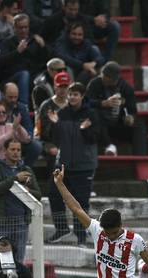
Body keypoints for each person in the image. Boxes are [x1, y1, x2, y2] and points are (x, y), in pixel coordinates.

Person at [46, 82, 99, 245]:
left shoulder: (91, 113)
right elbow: (53, 137)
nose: (72, 97)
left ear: (82, 96)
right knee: (54, 194)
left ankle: (81, 234)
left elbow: (95, 137)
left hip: (84, 166)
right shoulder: (61, 113)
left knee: (81, 201)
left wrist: (83, 130)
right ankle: (61, 228)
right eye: (70, 94)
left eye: (76, 94)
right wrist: (55, 124)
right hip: (63, 165)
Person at [0, 139, 40, 262]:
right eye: (12, 149)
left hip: (21, 222)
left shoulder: (27, 170)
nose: (16, 152)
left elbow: (38, 195)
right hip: (1, 222)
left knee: (19, 261)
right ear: (5, 151)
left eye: (18, 150)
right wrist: (15, 178)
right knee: (0, 261)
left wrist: (28, 191)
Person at [86, 61, 147, 156]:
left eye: (107, 78)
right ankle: (109, 146)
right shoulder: (95, 83)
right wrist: (103, 103)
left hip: (117, 124)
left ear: (115, 79)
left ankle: (140, 157)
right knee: (94, 113)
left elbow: (132, 109)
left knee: (139, 126)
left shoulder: (126, 88)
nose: (104, 79)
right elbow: (86, 103)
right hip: (99, 125)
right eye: (103, 76)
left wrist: (130, 118)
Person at [0, 13, 49, 106]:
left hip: (34, 74)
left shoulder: (34, 40)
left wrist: (43, 47)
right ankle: (24, 106)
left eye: (26, 27)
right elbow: (1, 62)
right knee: (24, 74)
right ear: (14, 28)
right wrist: (17, 52)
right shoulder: (7, 42)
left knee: (44, 76)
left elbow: (44, 60)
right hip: (13, 76)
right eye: (20, 28)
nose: (23, 30)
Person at [2, 82, 41, 167]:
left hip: (18, 140)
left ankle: (23, 169)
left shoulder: (21, 108)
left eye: (15, 97)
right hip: (1, 141)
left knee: (36, 146)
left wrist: (23, 134)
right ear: (3, 95)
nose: (13, 100)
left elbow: (29, 130)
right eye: (10, 97)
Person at [35, 71, 71, 165]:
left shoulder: (72, 105)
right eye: (60, 86)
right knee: (55, 153)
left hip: (69, 141)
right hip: (50, 142)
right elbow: (42, 132)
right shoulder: (46, 106)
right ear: (55, 86)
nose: (63, 90)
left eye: (65, 87)